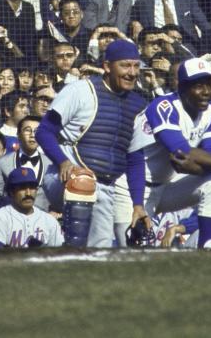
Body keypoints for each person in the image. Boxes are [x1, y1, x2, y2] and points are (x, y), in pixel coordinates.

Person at [34, 40, 148, 247]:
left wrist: (138, 204)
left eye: (136, 65)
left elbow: (135, 159)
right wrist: (62, 162)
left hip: (105, 186)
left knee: (100, 249)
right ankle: (71, 248)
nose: (132, 72)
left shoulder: (138, 104)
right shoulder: (80, 90)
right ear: (106, 66)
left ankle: (59, 256)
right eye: (125, 65)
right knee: (83, 182)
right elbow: (43, 131)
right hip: (63, 176)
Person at [128, 57, 211, 249]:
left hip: (169, 187)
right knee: (133, 249)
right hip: (135, 189)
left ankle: (208, 244)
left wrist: (197, 167)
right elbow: (182, 151)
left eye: (209, 85)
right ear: (182, 87)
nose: (206, 92)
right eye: (199, 86)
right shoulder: (163, 106)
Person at [0, 166, 64, 247]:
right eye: (22, 188)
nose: (28, 193)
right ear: (11, 192)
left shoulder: (49, 220)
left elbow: (59, 254)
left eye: (32, 187)